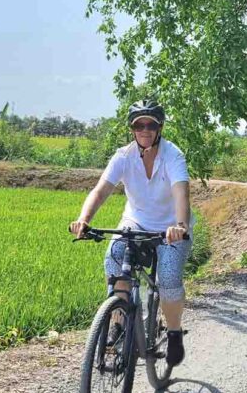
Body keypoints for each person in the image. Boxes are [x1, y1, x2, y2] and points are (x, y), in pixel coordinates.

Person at [68, 100, 193, 366]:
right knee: (114, 259)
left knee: (169, 277)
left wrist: (180, 226)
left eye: (150, 124)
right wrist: (83, 220)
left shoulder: (173, 156)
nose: (145, 130)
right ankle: (118, 320)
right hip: (134, 223)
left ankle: (173, 333)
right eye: (139, 125)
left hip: (170, 228)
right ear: (132, 129)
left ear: (160, 128)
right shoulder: (123, 156)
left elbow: (181, 192)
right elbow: (101, 190)